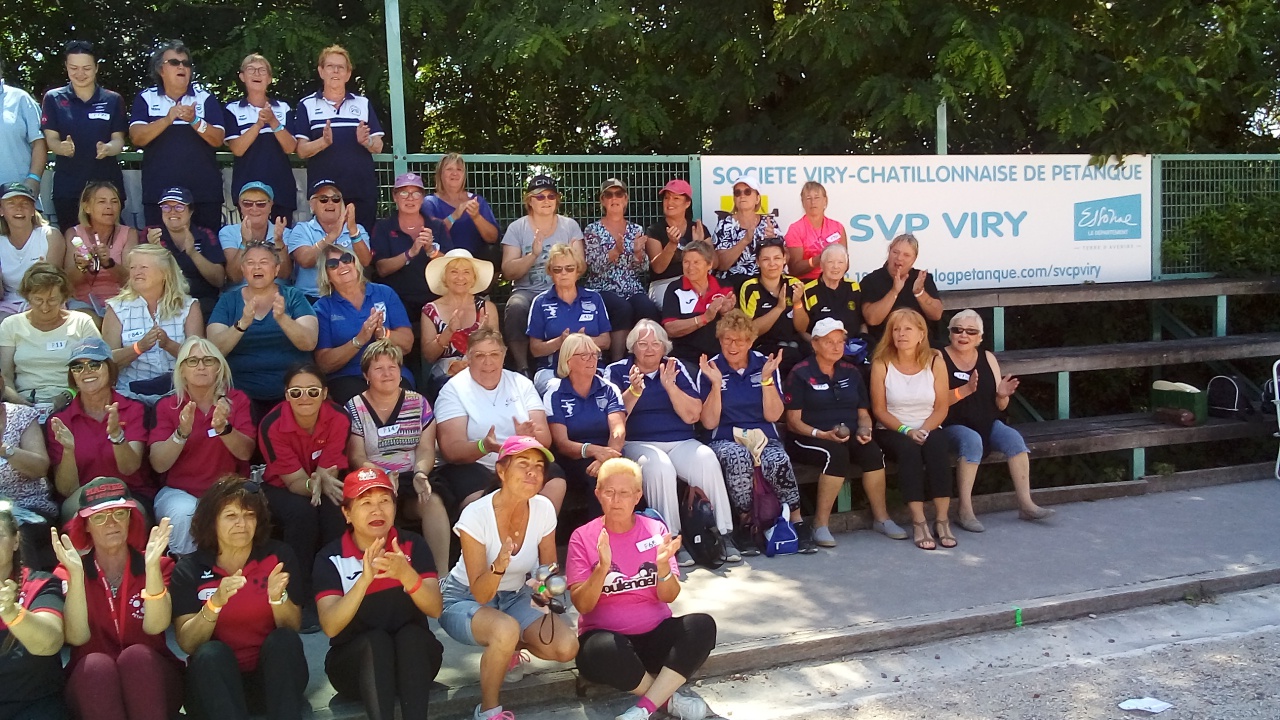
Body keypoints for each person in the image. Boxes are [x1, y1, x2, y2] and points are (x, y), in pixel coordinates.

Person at [438, 436, 579, 720]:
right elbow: (480, 593)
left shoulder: (543, 508)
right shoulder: (475, 515)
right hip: (464, 597)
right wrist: (500, 566)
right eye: (523, 464)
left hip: (515, 595)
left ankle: (507, 649)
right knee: (504, 629)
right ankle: (488, 711)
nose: (533, 472)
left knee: (567, 647)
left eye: (539, 466)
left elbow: (548, 565)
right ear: (501, 471)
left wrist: (546, 589)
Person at [567, 459, 716, 720]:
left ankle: (642, 710)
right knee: (599, 649)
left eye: (624, 493)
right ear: (598, 494)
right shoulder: (582, 537)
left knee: (702, 626)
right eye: (609, 492)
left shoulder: (655, 530)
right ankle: (668, 701)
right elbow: (583, 605)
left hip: (655, 637)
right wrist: (601, 569)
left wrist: (662, 567)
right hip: (609, 645)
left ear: (638, 496)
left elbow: (669, 595)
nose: (616, 500)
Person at [169, 476, 308, 720]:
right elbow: (188, 644)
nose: (242, 524)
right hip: (216, 690)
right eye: (231, 516)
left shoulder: (279, 556)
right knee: (211, 652)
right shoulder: (189, 569)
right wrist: (215, 604)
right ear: (212, 523)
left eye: (249, 515)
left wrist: (277, 598)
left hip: (272, 684)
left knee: (283, 641)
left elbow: (292, 626)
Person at [313, 467, 444, 720]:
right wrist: (364, 581)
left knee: (411, 637)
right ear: (347, 513)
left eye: (385, 501)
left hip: (413, 663)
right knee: (376, 642)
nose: (377, 510)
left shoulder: (412, 545)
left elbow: (435, 609)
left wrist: (406, 574)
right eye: (365, 502)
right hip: (355, 669)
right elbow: (330, 626)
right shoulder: (330, 557)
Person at [603, 320, 738, 565]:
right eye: (643, 344)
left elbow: (693, 415)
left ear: (665, 347)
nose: (650, 349)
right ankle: (672, 540)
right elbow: (613, 419)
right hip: (638, 442)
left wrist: (670, 386)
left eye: (656, 343)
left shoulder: (677, 368)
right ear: (633, 347)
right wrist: (633, 391)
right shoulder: (617, 371)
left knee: (706, 459)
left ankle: (722, 534)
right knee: (659, 467)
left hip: (680, 440)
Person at [50, 478, 182, 720]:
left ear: (131, 518)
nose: (111, 523)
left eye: (120, 513)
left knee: (137, 657)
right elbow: (77, 637)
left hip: (151, 676)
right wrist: (77, 576)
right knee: (96, 665)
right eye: (99, 517)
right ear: (85, 525)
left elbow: (156, 626)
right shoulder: (68, 571)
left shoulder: (159, 565)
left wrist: (151, 568)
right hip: (92, 683)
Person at [698, 309, 812, 554]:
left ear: (750, 342)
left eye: (740, 340)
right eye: (727, 339)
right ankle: (745, 524)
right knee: (738, 458)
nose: (733, 345)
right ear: (720, 340)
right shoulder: (710, 368)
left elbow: (773, 416)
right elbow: (708, 423)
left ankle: (797, 521)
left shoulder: (764, 364)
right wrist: (716, 385)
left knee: (778, 458)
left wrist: (767, 380)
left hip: (762, 435)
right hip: (725, 437)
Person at [784, 318, 904, 547]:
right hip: (807, 437)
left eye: (840, 341)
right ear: (815, 344)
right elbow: (792, 421)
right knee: (835, 454)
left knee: (872, 451)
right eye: (830, 342)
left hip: (848, 433)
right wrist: (822, 434)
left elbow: (863, 413)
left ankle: (882, 518)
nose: (837, 346)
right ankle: (820, 525)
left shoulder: (851, 371)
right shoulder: (800, 373)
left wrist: (865, 429)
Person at [942, 310, 1053, 532]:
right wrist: (963, 391)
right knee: (972, 440)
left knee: (1014, 439)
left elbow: (1000, 407)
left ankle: (1025, 504)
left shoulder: (988, 358)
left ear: (980, 337)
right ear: (950, 333)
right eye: (958, 330)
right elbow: (934, 401)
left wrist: (1002, 394)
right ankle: (964, 510)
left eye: (971, 331)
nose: (964, 335)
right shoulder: (938, 357)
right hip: (950, 424)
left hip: (986, 420)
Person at [345, 340, 450, 574]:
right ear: (366, 375)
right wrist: (380, 477)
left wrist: (421, 473)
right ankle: (375, 573)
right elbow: (356, 456)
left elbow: (425, 449)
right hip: (374, 477)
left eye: (392, 367)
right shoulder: (354, 407)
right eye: (378, 368)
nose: (387, 373)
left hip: (412, 475)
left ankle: (441, 577)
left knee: (432, 500)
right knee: (376, 504)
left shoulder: (419, 403)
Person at [434, 329, 566, 514]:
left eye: (494, 354)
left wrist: (524, 441)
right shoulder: (453, 390)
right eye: (480, 355)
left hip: (520, 458)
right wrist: (484, 446)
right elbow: (452, 450)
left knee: (555, 478)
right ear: (468, 358)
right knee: (480, 496)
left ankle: (536, 536)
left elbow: (544, 438)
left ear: (504, 355)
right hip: (475, 464)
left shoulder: (521, 383)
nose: (488, 362)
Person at [149, 338, 255, 555]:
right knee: (184, 513)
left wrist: (224, 429)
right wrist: (181, 433)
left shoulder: (237, 400)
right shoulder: (167, 405)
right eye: (192, 361)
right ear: (181, 370)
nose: (201, 366)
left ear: (218, 368)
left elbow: (246, 453)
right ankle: (188, 576)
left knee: (235, 512)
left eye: (208, 360)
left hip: (228, 489)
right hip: (180, 491)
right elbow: (159, 464)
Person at [258, 364, 349, 604]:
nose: (305, 397)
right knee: (302, 512)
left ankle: (336, 587)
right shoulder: (272, 425)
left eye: (313, 391)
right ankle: (299, 595)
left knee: (336, 509)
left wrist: (320, 483)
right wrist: (314, 486)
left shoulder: (339, 417)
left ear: (324, 392)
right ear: (287, 395)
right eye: (296, 392)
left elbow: (327, 474)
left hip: (324, 480)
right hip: (281, 487)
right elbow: (294, 482)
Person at [869, 308, 954, 551]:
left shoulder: (935, 360)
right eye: (896, 329)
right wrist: (907, 430)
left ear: (921, 333)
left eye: (907, 329)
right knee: (908, 451)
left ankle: (942, 519)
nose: (901, 334)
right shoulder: (881, 363)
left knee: (937, 447)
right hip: (893, 429)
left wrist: (925, 430)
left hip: (929, 425)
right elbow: (880, 410)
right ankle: (918, 521)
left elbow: (941, 407)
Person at [206, 244, 318, 418]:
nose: (257, 267)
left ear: (276, 269)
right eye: (250, 263)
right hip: (241, 393)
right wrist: (242, 324)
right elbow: (214, 350)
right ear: (243, 270)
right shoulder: (228, 301)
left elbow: (309, 342)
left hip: (293, 392)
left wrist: (282, 319)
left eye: (264, 262)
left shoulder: (293, 296)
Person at [128, 40, 224, 231]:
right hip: (159, 195)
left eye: (186, 63)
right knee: (159, 256)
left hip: (203, 195)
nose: (181, 67)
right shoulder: (146, 98)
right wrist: (167, 119)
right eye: (174, 62)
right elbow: (137, 138)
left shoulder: (205, 98)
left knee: (206, 254)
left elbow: (218, 139)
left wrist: (195, 120)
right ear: (160, 70)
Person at [47, 339, 149, 504]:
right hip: (81, 500)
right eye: (77, 367)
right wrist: (68, 450)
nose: (86, 371)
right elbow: (67, 490)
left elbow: (129, 468)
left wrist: (117, 436)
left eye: (94, 364)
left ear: (110, 368)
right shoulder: (60, 420)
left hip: (129, 495)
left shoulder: (133, 409)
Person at [500, 175, 585, 374]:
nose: (546, 200)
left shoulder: (569, 226)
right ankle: (523, 368)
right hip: (527, 291)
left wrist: (564, 264)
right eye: (539, 197)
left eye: (551, 196)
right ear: (529, 200)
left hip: (562, 288)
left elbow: (580, 266)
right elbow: (508, 271)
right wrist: (534, 255)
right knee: (515, 307)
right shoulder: (517, 228)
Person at [293, 45, 383, 231]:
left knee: (361, 247)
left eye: (341, 67)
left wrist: (366, 142)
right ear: (321, 71)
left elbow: (378, 146)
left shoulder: (363, 103)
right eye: (330, 66)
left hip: (361, 190)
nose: (335, 71)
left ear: (348, 74)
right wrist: (323, 142)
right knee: (326, 250)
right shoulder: (306, 105)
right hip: (325, 195)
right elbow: (301, 150)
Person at [40, 41, 127, 231]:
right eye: (74, 68)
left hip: (107, 186)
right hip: (69, 187)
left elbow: (119, 140)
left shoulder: (113, 99)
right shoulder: (53, 98)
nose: (80, 74)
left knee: (111, 242)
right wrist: (60, 147)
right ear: (66, 67)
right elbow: (51, 139)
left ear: (96, 67)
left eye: (86, 68)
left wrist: (108, 148)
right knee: (74, 243)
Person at [102, 243, 203, 405]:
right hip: (131, 395)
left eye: (143, 267)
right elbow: (106, 361)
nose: (136, 273)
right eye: (133, 267)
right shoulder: (116, 308)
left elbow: (200, 359)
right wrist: (138, 348)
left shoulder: (188, 306)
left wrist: (169, 345)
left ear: (165, 273)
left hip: (178, 393)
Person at [314, 244, 414, 404]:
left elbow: (408, 344)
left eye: (347, 259)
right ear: (326, 275)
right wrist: (359, 340)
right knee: (363, 405)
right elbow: (324, 364)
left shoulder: (384, 293)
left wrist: (383, 334)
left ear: (356, 263)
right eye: (332, 265)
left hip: (390, 371)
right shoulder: (323, 307)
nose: (342, 266)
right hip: (347, 376)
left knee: (403, 401)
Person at [544, 333, 626, 516]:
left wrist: (604, 456)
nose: (591, 360)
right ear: (568, 361)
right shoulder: (555, 394)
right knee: (599, 478)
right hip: (574, 457)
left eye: (594, 354)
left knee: (624, 473)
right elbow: (562, 443)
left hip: (609, 451)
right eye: (584, 355)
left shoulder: (609, 388)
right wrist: (593, 451)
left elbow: (618, 431)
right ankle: (598, 537)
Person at [0, 262, 101, 409]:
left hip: (76, 400)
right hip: (24, 401)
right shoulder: (11, 324)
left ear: (64, 298)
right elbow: (6, 376)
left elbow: (98, 369)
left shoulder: (81, 322)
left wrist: (69, 394)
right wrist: (20, 403)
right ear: (28, 297)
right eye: (38, 300)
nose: (45, 307)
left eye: (52, 300)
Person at [0, 504, 66, 720]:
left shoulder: (40, 584)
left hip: (33, 705)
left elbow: (50, 643)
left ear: (16, 540)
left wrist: (13, 613)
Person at [584, 178, 660, 361]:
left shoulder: (636, 229)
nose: (614, 198)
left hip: (631, 286)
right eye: (609, 195)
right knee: (622, 307)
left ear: (625, 199)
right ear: (602, 201)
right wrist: (614, 252)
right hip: (602, 286)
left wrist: (636, 253)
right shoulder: (592, 230)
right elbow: (592, 267)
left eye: (619, 194)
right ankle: (618, 362)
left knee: (648, 308)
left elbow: (642, 268)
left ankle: (647, 360)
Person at [528, 243, 612, 393]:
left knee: (606, 388)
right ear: (550, 273)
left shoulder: (594, 298)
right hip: (551, 370)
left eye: (569, 268)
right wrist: (560, 342)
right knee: (557, 389)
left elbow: (606, 341)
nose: (564, 273)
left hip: (592, 367)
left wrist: (580, 342)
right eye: (557, 269)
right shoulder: (541, 302)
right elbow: (535, 349)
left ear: (578, 271)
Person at [223, 54, 297, 224]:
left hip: (281, 189)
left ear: (269, 79)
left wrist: (273, 122)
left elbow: (290, 147)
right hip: (248, 191)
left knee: (281, 242)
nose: (256, 74)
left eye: (262, 70)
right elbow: (238, 149)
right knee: (251, 243)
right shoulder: (232, 109)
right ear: (242, 76)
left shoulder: (283, 108)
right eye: (251, 69)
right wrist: (258, 124)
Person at [370, 173, 448, 325]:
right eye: (404, 192)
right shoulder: (383, 227)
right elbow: (382, 269)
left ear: (423, 197)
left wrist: (431, 251)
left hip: (434, 298)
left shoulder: (437, 226)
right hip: (396, 299)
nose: (410, 198)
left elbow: (449, 265)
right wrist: (410, 253)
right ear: (395, 196)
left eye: (416, 193)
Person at [420, 249, 499, 392]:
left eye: (466, 272)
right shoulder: (430, 310)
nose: (460, 277)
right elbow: (429, 356)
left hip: (483, 368)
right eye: (454, 272)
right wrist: (448, 331)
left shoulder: (487, 308)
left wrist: (481, 336)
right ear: (444, 277)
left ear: (474, 278)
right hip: (445, 374)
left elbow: (497, 350)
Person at [144, 187, 225, 320]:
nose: (172, 212)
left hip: (202, 302)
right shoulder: (151, 235)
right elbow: (141, 277)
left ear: (191, 211)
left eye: (179, 207)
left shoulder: (205, 235)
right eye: (166, 207)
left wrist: (193, 253)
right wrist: (154, 250)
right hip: (164, 302)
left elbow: (219, 280)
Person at [0, 373, 55, 568]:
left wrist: (5, 449)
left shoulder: (21, 416)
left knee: (16, 533)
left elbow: (40, 468)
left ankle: (26, 593)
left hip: (28, 506)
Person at [285, 180, 373, 302]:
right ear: (312, 205)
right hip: (311, 297)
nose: (330, 203)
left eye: (336, 198)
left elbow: (365, 261)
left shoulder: (357, 229)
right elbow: (305, 261)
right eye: (323, 199)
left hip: (348, 297)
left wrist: (353, 231)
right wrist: (332, 235)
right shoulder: (302, 229)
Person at [62, 182, 136, 316]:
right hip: (83, 301)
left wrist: (109, 264)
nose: (109, 207)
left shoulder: (129, 233)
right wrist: (81, 266)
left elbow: (130, 280)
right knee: (88, 323)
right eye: (102, 202)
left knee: (112, 323)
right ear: (87, 207)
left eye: (114, 202)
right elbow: (67, 282)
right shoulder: (73, 234)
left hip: (120, 301)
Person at [738, 241, 808, 375]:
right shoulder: (750, 287)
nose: (772, 264)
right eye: (766, 259)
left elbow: (802, 328)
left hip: (794, 347)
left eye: (777, 258)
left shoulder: (794, 284)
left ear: (784, 259)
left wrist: (797, 303)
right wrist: (779, 308)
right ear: (757, 262)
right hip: (764, 349)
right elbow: (750, 330)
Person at [859, 233, 942, 346]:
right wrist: (894, 291)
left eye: (906, 255)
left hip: (922, 347)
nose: (899, 258)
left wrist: (920, 293)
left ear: (914, 259)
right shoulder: (871, 280)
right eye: (895, 252)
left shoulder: (922, 279)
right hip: (885, 347)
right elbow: (872, 319)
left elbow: (936, 314)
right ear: (889, 251)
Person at [660, 241, 734, 367]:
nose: (690, 267)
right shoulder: (675, 288)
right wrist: (705, 318)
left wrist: (727, 313)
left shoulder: (724, 286)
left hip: (720, 356)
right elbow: (670, 328)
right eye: (686, 262)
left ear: (709, 264)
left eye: (696, 262)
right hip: (685, 358)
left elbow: (735, 327)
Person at [0, 183, 69, 319]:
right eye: (11, 203)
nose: (19, 208)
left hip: (46, 301)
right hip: (8, 304)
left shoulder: (50, 236)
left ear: (33, 210)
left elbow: (51, 284)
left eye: (25, 203)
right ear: (1, 210)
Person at [423, 153, 499, 259]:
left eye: (459, 170)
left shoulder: (477, 200)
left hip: (474, 262)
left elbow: (493, 238)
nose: (454, 173)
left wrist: (476, 217)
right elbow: (430, 239)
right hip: (442, 261)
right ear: (440, 174)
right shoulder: (430, 202)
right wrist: (454, 216)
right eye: (449, 169)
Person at [711, 170, 779, 289]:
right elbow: (720, 264)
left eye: (747, 192)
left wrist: (773, 242)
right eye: (737, 193)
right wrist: (744, 241)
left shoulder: (769, 223)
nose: (742, 196)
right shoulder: (724, 224)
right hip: (732, 283)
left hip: (763, 283)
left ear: (757, 198)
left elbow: (786, 258)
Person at [644, 179, 706, 305]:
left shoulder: (698, 228)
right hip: (664, 284)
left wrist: (699, 245)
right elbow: (658, 268)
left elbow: (714, 263)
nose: (669, 202)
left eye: (676, 198)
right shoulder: (654, 230)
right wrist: (672, 244)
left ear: (687, 203)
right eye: (666, 198)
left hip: (696, 282)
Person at [218, 183, 291, 286]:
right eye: (247, 203)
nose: (254, 208)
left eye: (261, 204)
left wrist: (279, 241)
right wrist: (244, 242)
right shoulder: (228, 232)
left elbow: (284, 275)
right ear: (240, 206)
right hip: (240, 293)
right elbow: (235, 277)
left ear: (270, 206)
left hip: (277, 292)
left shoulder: (285, 232)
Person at [784, 182, 846, 281]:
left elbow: (845, 263)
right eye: (808, 198)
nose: (813, 202)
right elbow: (794, 269)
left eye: (817, 198)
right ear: (803, 202)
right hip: (806, 283)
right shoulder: (795, 229)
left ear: (825, 201)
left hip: (833, 282)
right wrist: (819, 259)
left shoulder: (837, 227)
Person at [803, 243, 863, 337]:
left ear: (846, 266)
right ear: (821, 265)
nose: (835, 266)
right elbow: (802, 330)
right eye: (830, 262)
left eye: (840, 262)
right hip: (820, 348)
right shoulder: (807, 290)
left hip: (852, 346)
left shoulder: (854, 287)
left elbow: (862, 323)